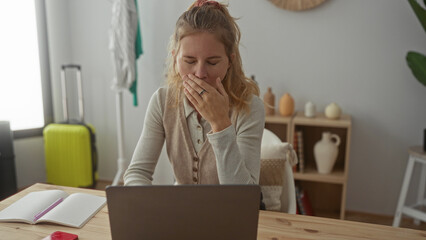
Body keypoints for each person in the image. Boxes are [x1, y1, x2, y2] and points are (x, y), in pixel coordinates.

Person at [124, 0, 265, 187]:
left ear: (229, 61)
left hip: (229, 214)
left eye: (212, 62)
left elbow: (243, 197)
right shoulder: (162, 101)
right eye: (189, 61)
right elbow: (137, 172)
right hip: (181, 211)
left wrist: (220, 123)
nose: (200, 74)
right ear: (175, 59)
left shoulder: (249, 108)